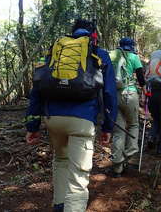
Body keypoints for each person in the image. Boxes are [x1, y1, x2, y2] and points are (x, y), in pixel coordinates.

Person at [24, 19, 118, 212]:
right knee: (78, 178)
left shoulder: (55, 53)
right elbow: (109, 94)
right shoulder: (99, 54)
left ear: (72, 33)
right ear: (93, 35)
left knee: (61, 161)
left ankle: (59, 206)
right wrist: (108, 126)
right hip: (82, 121)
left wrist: (32, 126)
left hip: (54, 120)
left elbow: (37, 90)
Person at [109, 37, 145, 177]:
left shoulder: (111, 54)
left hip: (114, 96)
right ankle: (128, 154)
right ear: (132, 46)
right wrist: (145, 91)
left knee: (118, 130)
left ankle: (117, 167)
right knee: (134, 125)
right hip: (130, 94)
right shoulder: (134, 57)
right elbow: (141, 79)